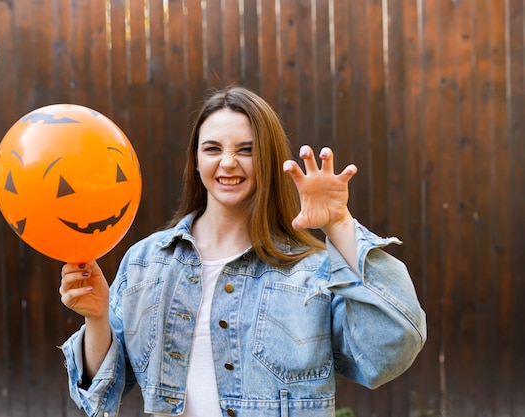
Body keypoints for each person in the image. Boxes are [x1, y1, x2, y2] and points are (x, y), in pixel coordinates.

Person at [59, 86, 427, 417]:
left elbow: (389, 351)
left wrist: (339, 223)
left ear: (267, 159)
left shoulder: (311, 271)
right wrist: (97, 317)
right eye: (213, 149)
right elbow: (102, 392)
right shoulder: (146, 262)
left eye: (246, 150)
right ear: (196, 160)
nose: (228, 163)